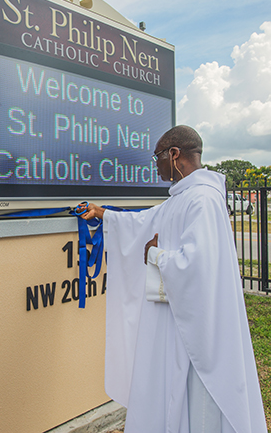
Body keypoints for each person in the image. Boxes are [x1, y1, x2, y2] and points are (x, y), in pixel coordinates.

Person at [77, 125, 267, 432]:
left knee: (196, 397)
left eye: (158, 157)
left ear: (174, 154)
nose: (156, 166)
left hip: (197, 329)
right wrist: (103, 214)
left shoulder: (203, 200)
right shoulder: (183, 198)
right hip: (175, 320)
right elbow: (144, 221)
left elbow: (197, 265)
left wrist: (155, 255)